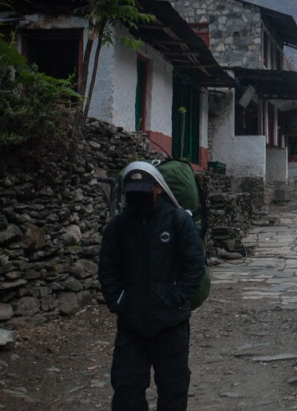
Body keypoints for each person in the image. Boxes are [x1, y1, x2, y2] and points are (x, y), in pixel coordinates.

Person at [98, 161, 205, 411]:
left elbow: (194, 264)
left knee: (173, 390)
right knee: (126, 390)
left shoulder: (178, 221)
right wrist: (119, 301)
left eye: (145, 190)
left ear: (158, 188)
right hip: (131, 324)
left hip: (171, 323)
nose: (139, 197)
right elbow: (108, 269)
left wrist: (176, 297)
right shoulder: (118, 228)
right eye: (133, 192)